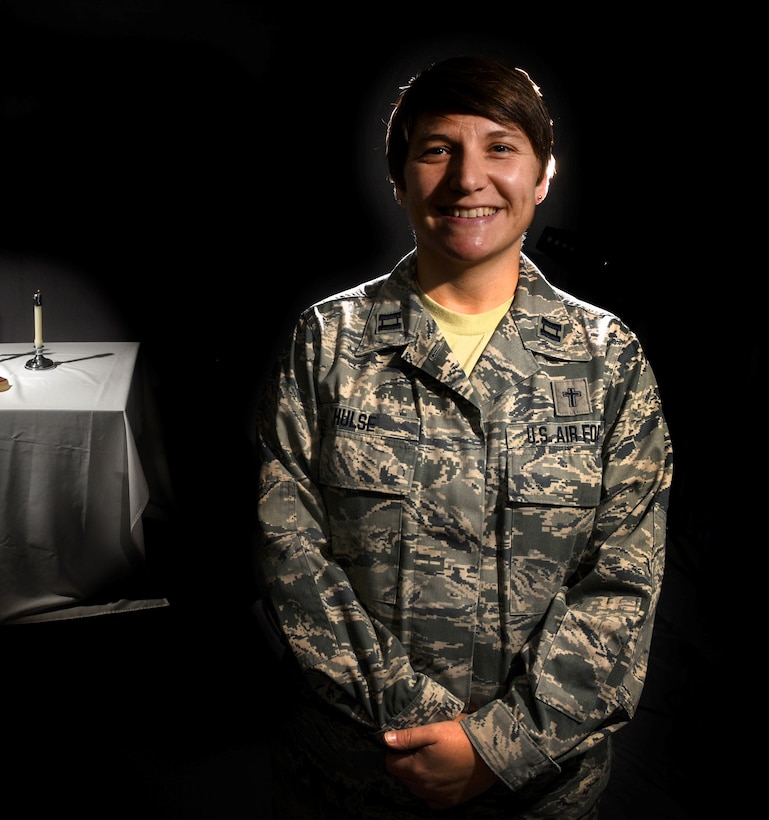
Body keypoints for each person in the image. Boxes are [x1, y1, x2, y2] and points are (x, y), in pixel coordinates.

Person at [254, 54, 673, 819]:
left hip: (539, 789)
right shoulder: (328, 342)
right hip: (358, 777)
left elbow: (624, 580)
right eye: (436, 149)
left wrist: (496, 747)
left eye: (499, 147)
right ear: (399, 176)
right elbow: (287, 553)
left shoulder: (607, 358)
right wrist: (417, 723)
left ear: (543, 174)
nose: (467, 179)